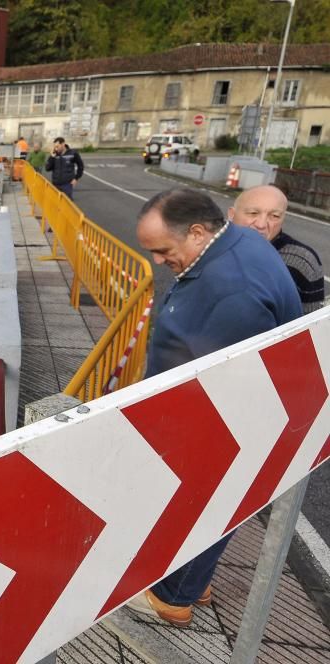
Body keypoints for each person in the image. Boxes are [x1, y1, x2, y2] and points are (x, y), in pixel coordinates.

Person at [127, 188, 302, 627]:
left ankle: (173, 597)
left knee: (203, 498)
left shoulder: (231, 292)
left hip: (219, 424)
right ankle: (193, 581)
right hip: (223, 414)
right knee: (213, 499)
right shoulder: (234, 242)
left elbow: (219, 397)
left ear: (198, 232)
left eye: (164, 251)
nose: (158, 262)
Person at [229, 184, 324, 314]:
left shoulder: (302, 260)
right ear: (231, 214)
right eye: (253, 213)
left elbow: (312, 324)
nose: (261, 224)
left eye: (274, 216)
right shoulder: (208, 247)